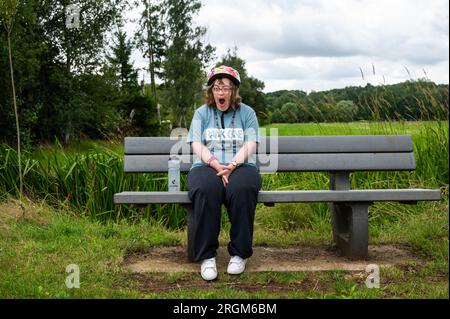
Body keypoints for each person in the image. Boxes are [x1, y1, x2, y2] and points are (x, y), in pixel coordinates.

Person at [186, 65, 262, 281]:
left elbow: (251, 143)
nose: (222, 93)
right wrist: (215, 164)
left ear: (234, 91)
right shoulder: (201, 113)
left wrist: (233, 165)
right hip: (206, 166)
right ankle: (207, 256)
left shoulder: (247, 113)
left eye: (227, 88)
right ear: (211, 90)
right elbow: (196, 143)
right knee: (205, 189)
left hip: (241, 166)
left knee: (243, 189)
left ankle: (239, 253)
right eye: (217, 87)